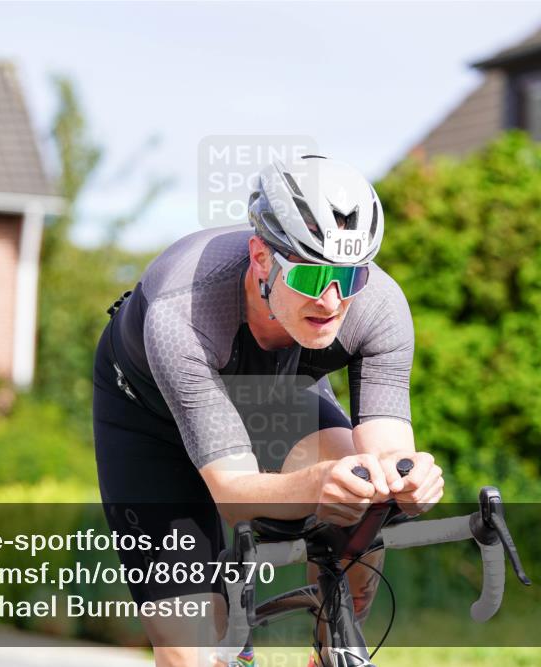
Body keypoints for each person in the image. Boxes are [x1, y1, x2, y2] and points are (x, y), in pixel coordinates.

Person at [93, 155, 444, 666]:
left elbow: (387, 455)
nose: (330, 299)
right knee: (192, 653)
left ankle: (329, 654)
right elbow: (235, 497)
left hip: (272, 398)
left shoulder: (380, 307)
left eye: (348, 278)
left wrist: (409, 481)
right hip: (152, 427)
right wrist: (318, 485)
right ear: (261, 258)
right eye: (311, 275)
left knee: (365, 502)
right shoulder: (183, 311)